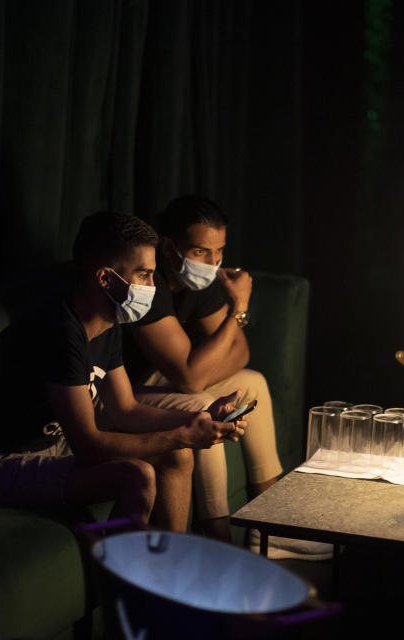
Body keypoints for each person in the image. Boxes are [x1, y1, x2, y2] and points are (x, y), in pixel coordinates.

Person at [0, 211, 247, 529]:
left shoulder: (108, 321)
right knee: (137, 475)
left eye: (153, 276)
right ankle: (118, 577)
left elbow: (126, 410)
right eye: (143, 275)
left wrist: (199, 419)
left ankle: (170, 567)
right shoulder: (61, 331)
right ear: (105, 278)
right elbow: (88, 444)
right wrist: (182, 435)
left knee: (177, 456)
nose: (153, 288)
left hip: (44, 447)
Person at [124, 195, 331, 560]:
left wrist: (198, 370)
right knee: (205, 408)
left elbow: (241, 353)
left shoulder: (200, 286)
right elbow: (189, 380)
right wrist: (239, 307)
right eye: (201, 251)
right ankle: (218, 540)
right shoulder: (148, 282)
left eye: (219, 252)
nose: (213, 263)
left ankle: (273, 524)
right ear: (169, 248)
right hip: (126, 391)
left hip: (165, 382)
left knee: (253, 381)